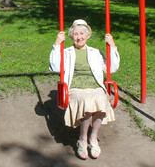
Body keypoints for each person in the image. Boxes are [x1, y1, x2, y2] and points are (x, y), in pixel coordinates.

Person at [49, 19, 120, 159]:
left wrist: (112, 46)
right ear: (71, 36)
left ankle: (93, 137)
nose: (79, 37)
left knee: (101, 99)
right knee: (86, 102)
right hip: (76, 88)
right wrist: (57, 43)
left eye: (82, 33)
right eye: (75, 34)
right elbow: (55, 67)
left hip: (95, 86)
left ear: (87, 36)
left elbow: (112, 68)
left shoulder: (95, 52)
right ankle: (82, 139)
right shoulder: (67, 52)